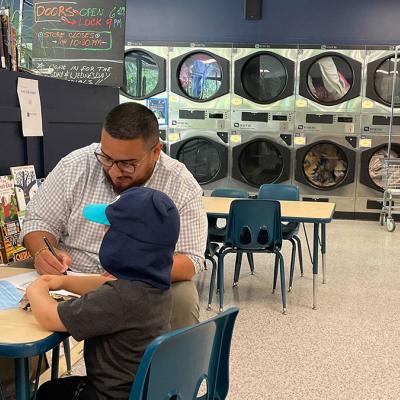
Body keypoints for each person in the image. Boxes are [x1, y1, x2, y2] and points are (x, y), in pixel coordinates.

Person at [20, 102, 208, 330]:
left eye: (128, 164)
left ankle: (170, 365)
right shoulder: (74, 165)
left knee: (184, 298)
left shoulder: (181, 185)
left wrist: (132, 273)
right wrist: (43, 252)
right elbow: (38, 220)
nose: (114, 171)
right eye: (106, 158)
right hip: (72, 273)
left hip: (142, 282)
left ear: (156, 152)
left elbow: (191, 259)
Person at [27, 186, 180, 400]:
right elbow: (103, 284)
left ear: (127, 243)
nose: (103, 232)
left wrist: (36, 288)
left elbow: (49, 317)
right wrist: (62, 281)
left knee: (48, 392)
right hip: (141, 392)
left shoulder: (119, 298)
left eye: (110, 229)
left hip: (108, 395)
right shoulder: (155, 287)